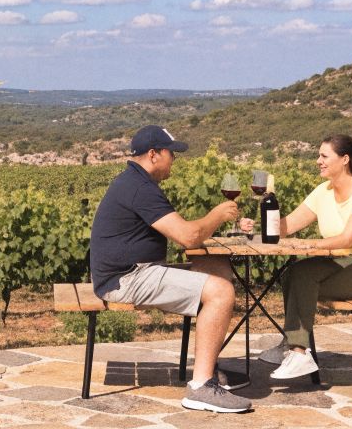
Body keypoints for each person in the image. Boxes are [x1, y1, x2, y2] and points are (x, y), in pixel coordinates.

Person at [90, 125, 252, 413]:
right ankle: (201, 388)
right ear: (154, 154)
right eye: (172, 153)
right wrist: (217, 215)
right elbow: (188, 236)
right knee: (221, 292)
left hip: (130, 271)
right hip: (126, 278)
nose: (174, 159)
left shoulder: (135, 181)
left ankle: (208, 368)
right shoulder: (140, 188)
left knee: (215, 265)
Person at [257, 134, 352, 380]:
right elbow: (287, 226)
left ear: (345, 159)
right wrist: (259, 225)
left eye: (324, 156)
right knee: (292, 275)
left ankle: (298, 351)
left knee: (303, 274)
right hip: (340, 264)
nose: (318, 161)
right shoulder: (323, 191)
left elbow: (347, 240)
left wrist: (309, 245)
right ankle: (292, 344)